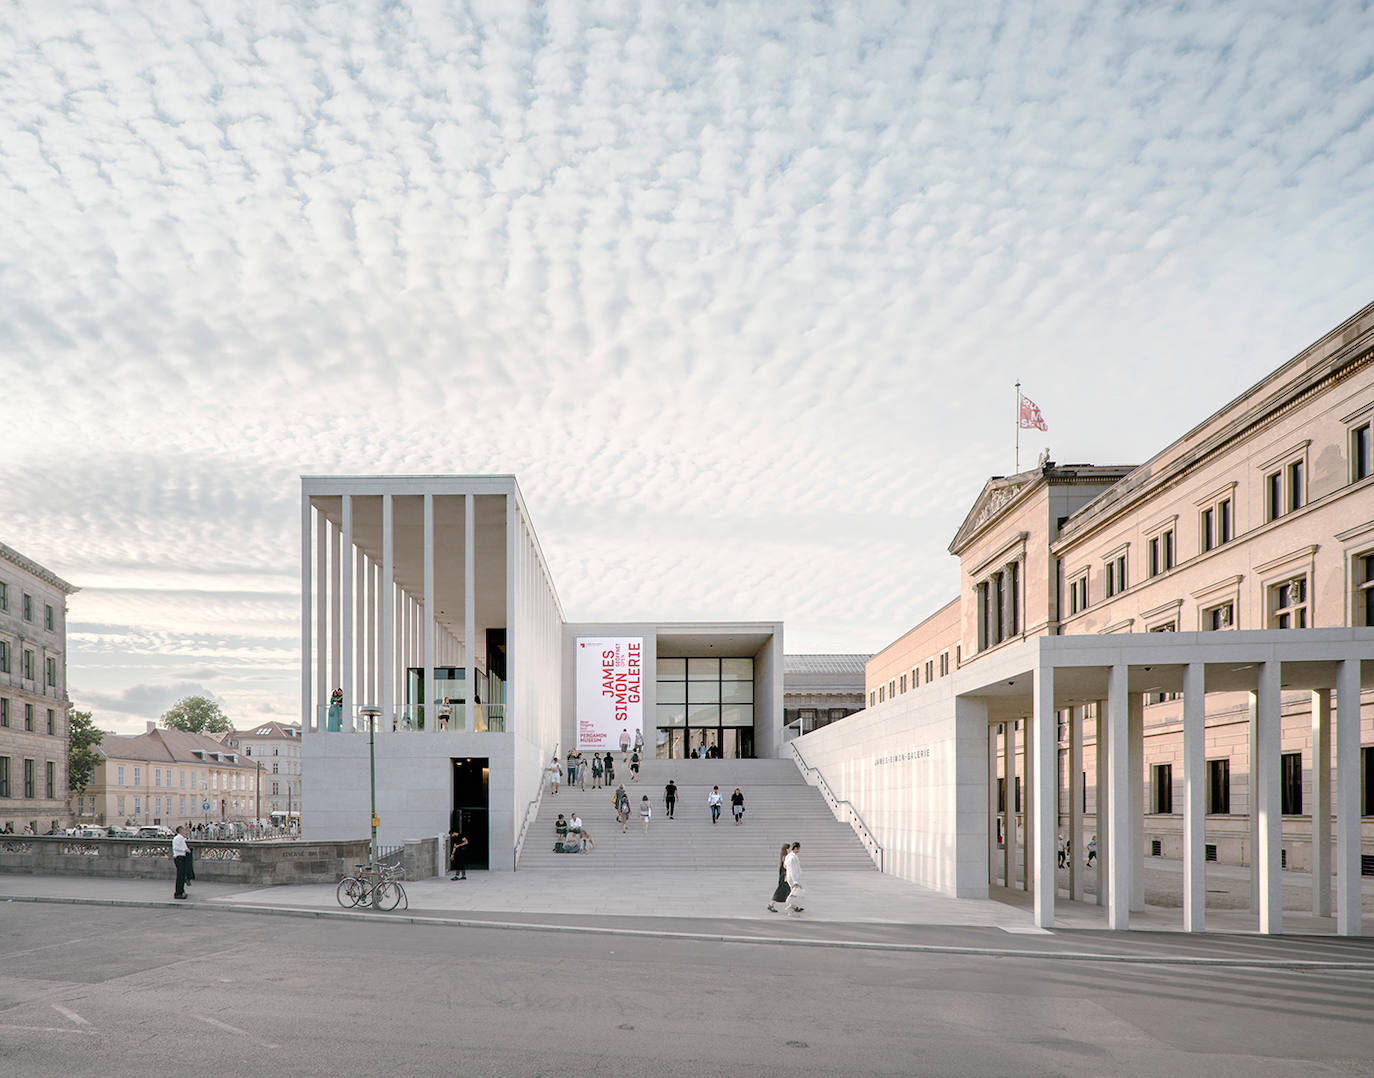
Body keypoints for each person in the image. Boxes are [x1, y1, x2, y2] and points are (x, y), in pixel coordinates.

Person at [767, 842, 792, 913]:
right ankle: (771, 905)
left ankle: (794, 906)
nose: (790, 849)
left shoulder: (784, 856)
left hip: (785, 875)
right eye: (789, 848)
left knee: (789, 891)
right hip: (785, 876)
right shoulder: (785, 857)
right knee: (781, 890)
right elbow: (785, 867)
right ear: (787, 849)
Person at [783, 842, 804, 914]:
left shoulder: (789, 856)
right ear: (796, 848)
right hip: (793, 877)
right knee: (795, 892)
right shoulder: (792, 857)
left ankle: (793, 906)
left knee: (794, 892)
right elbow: (792, 869)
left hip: (790, 876)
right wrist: (795, 881)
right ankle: (790, 906)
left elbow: (785, 866)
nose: (799, 850)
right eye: (799, 848)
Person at [172, 826, 190, 899]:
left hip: (181, 857)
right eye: (184, 830)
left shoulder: (181, 838)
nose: (185, 831)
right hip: (179, 858)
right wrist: (185, 850)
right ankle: (178, 893)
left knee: (182, 876)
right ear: (180, 831)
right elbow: (175, 848)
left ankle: (181, 891)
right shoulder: (178, 838)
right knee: (180, 876)